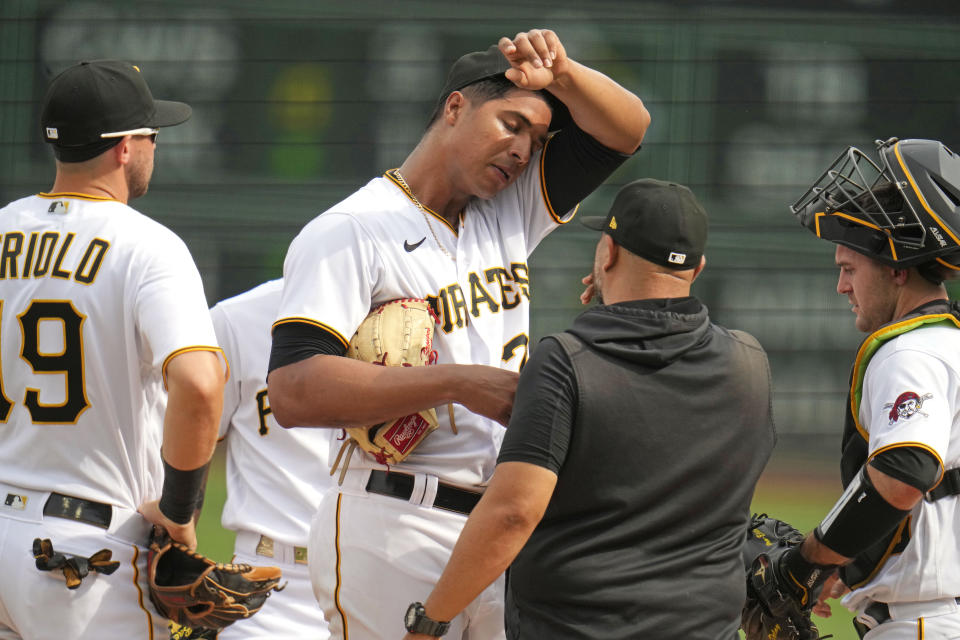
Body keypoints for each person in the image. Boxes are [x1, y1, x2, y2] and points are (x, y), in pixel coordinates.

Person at [267, 28, 650, 640]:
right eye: (512, 124)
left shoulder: (509, 208)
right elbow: (293, 390)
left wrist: (563, 74)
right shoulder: (350, 229)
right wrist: (458, 383)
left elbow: (626, 129)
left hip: (499, 525)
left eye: (537, 139)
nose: (524, 150)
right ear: (454, 108)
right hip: (392, 520)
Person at [402, 178, 776, 640]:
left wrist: (429, 623)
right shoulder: (749, 362)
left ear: (610, 252)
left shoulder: (566, 360)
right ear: (697, 269)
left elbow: (513, 512)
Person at [0, 60, 225, 639]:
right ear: (125, 148)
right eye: (152, 134)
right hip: (79, 556)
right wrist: (179, 512)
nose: (155, 145)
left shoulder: (2, 227)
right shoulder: (148, 246)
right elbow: (200, 382)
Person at [775, 137, 960, 639]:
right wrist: (847, 560)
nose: (842, 286)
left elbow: (904, 472)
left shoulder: (911, 352)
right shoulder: (949, 343)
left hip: (927, 623)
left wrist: (807, 561)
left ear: (898, 269)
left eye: (849, 268)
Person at [210, 278, 332, 640]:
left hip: (377, 580)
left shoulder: (417, 318)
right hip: (267, 583)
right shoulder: (236, 319)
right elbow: (189, 443)